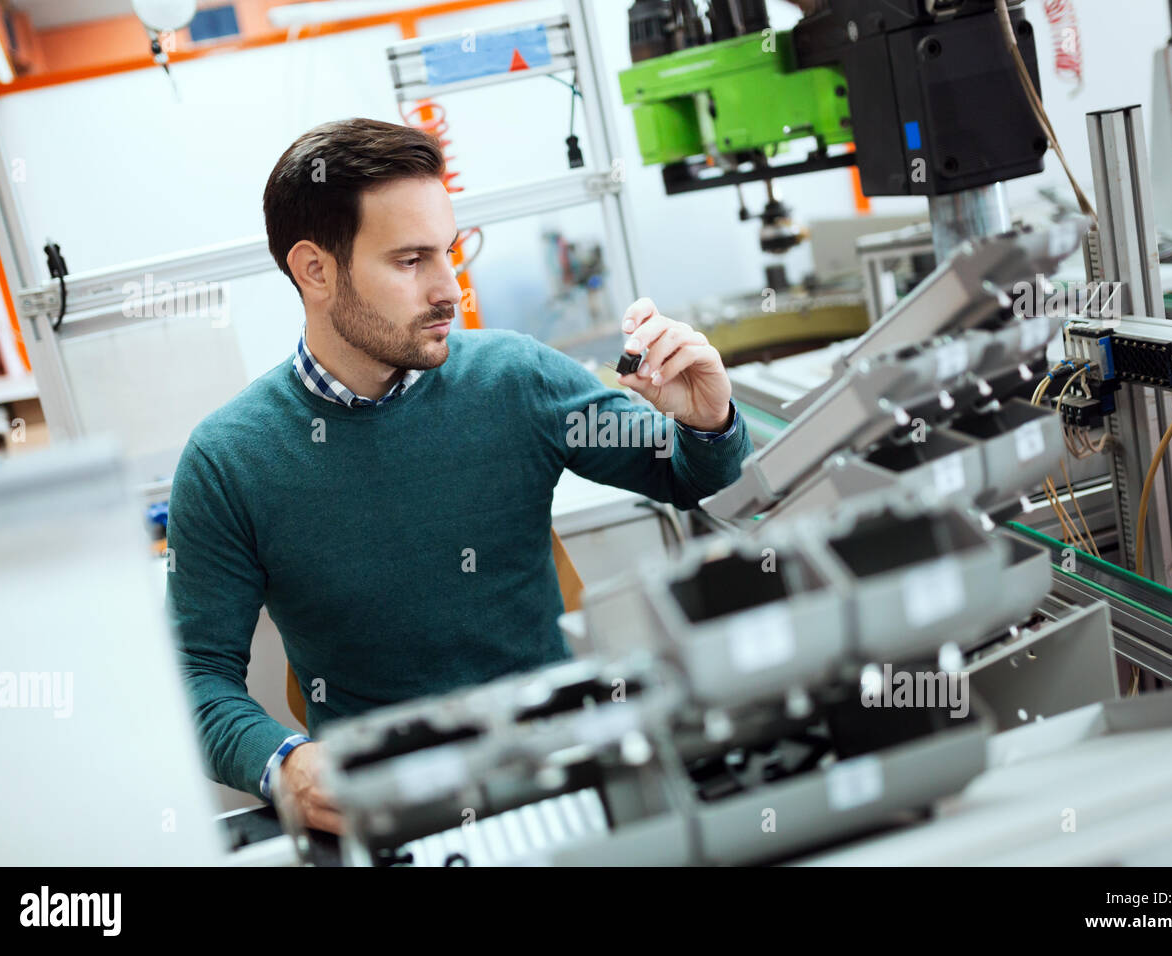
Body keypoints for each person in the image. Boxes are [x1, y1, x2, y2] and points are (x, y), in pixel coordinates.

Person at [166, 118, 753, 833]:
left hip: (563, 770)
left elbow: (686, 473)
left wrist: (707, 416)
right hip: (391, 809)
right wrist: (285, 763)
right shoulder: (229, 461)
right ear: (315, 270)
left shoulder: (515, 378)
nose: (450, 289)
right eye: (412, 260)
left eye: (449, 251)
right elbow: (195, 676)